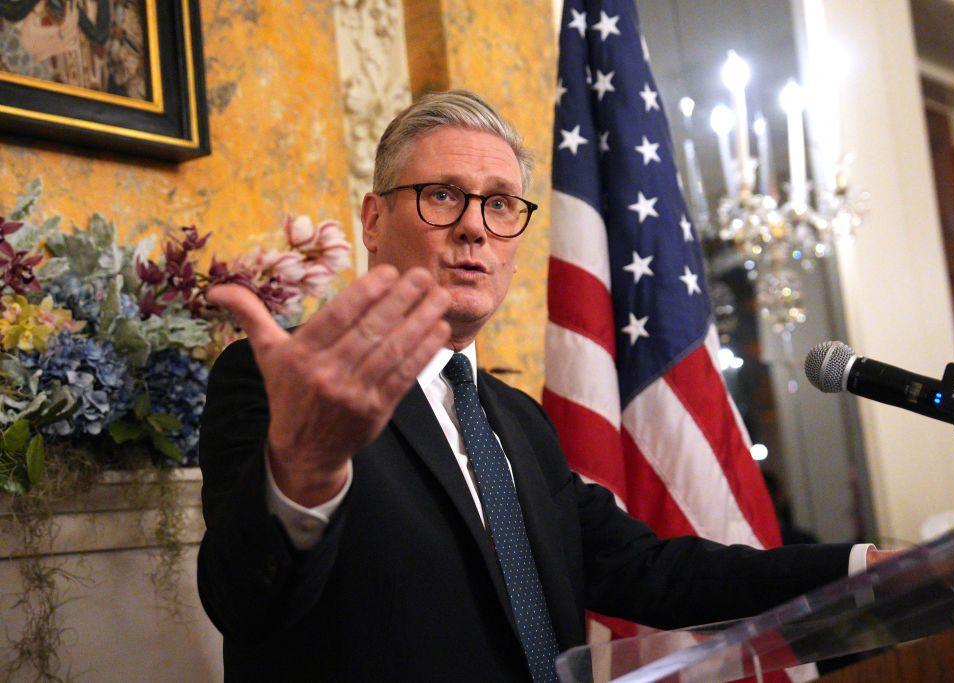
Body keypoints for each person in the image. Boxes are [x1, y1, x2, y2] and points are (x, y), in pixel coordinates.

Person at [198, 90, 885, 682]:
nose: (474, 225)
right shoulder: (281, 385)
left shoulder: (519, 421)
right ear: (373, 219)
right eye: (442, 195)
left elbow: (649, 569)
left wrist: (865, 567)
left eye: (500, 204)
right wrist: (303, 477)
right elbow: (244, 601)